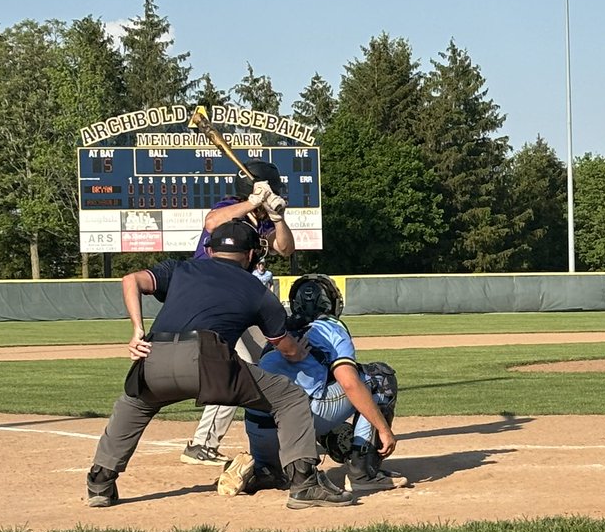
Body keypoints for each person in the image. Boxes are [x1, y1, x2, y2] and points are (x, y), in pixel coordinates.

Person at [85, 219, 353, 510]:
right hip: (209, 360)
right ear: (252, 255)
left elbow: (131, 280)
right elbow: (284, 346)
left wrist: (137, 329)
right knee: (288, 398)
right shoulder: (256, 289)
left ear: (210, 251)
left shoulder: (180, 268)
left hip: (155, 351)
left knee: (134, 405)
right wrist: (298, 353)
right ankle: (304, 483)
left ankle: (100, 482)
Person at [217, 274, 409, 499]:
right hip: (298, 419)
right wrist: (384, 430)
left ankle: (264, 469)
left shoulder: (281, 333)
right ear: (331, 303)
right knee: (378, 378)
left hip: (259, 425)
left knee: (306, 394)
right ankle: (363, 474)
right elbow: (349, 383)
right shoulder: (331, 327)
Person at [181, 160, 295, 467]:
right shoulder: (232, 206)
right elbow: (211, 223)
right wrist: (251, 202)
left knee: (265, 359)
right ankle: (203, 443)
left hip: (238, 298)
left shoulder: (265, 221)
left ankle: (282, 428)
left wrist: (278, 218)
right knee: (238, 366)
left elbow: (285, 249)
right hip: (210, 297)